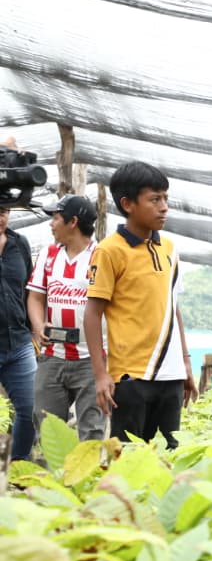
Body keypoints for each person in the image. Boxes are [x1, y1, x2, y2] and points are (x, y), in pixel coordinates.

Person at [84, 161, 197, 450]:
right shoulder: (109, 251)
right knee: (128, 458)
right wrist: (100, 374)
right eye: (154, 199)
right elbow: (93, 313)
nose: (164, 207)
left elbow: (174, 307)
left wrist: (185, 363)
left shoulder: (170, 249)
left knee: (170, 457)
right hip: (131, 376)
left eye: (166, 199)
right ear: (127, 204)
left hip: (171, 376)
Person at [25, 194, 104, 441]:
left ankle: (88, 479)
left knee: (92, 430)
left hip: (91, 359)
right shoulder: (49, 256)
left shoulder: (101, 256)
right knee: (48, 428)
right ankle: (52, 478)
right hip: (52, 356)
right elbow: (35, 297)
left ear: (73, 222)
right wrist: (39, 326)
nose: (51, 224)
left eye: (56, 218)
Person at [0, 204, 35, 460]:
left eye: (4, 210)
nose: (1, 216)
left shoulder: (19, 244)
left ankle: (19, 471)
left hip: (18, 345)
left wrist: (34, 331)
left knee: (30, 409)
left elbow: (29, 291)